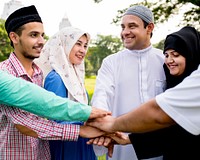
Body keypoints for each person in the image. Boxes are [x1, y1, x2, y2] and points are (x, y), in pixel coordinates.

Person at [0, 5, 105, 160]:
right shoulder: (5, 74)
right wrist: (81, 130)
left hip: (43, 155)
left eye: (43, 35)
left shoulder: (39, 74)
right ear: (14, 37)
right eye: (34, 35)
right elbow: (25, 124)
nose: (42, 41)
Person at [86, 27, 200, 156]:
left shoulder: (194, 87)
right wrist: (128, 138)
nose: (169, 60)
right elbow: (170, 133)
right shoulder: (174, 81)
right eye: (167, 55)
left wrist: (111, 124)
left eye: (176, 55)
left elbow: (161, 116)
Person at [90, 5, 166, 160]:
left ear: (149, 27)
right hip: (121, 144)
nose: (125, 32)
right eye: (123, 27)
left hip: (161, 146)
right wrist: (103, 128)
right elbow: (101, 95)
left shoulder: (165, 60)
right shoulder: (111, 62)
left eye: (132, 26)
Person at [35, 26, 97, 160]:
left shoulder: (74, 75)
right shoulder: (56, 77)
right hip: (67, 146)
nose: (83, 50)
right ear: (64, 45)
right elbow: (56, 117)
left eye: (85, 46)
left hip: (82, 141)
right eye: (78, 44)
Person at [0, 69, 109, 121]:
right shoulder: (55, 77)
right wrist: (88, 113)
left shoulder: (38, 72)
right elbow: (48, 104)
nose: (42, 41)